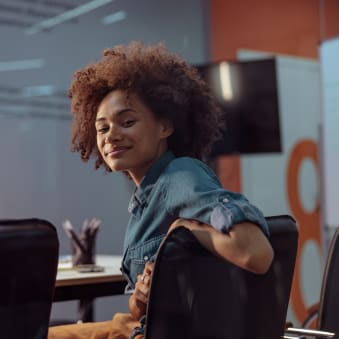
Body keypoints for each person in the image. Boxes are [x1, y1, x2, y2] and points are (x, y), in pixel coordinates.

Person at [48, 41, 273, 339]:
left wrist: (187, 229)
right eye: (102, 128)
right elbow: (140, 309)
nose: (111, 136)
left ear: (165, 127)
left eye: (127, 122)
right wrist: (140, 295)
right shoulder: (147, 198)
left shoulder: (180, 175)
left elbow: (256, 253)